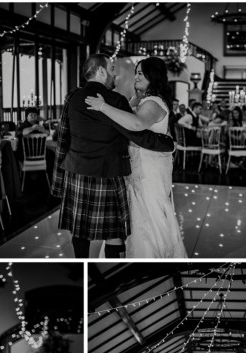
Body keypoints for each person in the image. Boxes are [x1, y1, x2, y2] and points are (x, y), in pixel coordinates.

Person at [51, 53, 175, 259]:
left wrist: (58, 182)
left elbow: (62, 139)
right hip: (108, 173)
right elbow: (135, 133)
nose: (115, 74)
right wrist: (168, 143)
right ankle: (111, 271)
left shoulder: (72, 97)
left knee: (78, 228)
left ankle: (83, 268)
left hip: (76, 172)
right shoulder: (116, 100)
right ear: (101, 71)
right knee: (113, 234)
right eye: (111, 69)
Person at [85, 57, 187, 258]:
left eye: (141, 73)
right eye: (136, 72)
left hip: (149, 167)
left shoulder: (153, 102)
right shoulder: (139, 99)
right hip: (136, 164)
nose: (136, 77)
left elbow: (137, 124)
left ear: (153, 76)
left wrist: (103, 107)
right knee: (135, 211)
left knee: (149, 212)